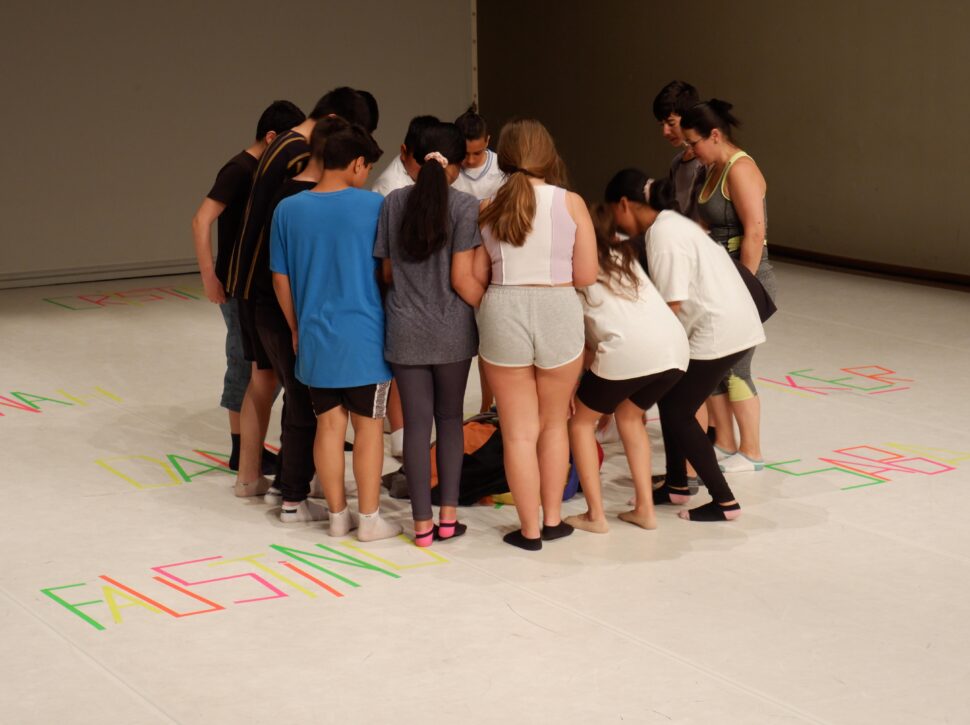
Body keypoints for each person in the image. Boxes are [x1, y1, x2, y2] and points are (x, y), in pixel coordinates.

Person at [226, 87, 378, 506]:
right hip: (286, 311)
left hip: (259, 299)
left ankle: (257, 480)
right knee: (306, 404)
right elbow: (286, 273)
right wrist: (296, 325)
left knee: (272, 388)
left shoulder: (286, 160)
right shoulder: (307, 186)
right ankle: (292, 491)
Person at [606, 170, 765, 521]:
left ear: (623, 205)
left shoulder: (663, 234)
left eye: (613, 214)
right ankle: (677, 484)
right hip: (729, 322)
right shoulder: (669, 224)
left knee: (679, 411)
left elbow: (671, 306)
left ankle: (724, 502)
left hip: (719, 330)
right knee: (670, 396)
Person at [270, 117, 401, 541]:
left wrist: (295, 327)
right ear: (357, 163)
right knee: (367, 429)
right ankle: (369, 520)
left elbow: (280, 279)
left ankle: (337, 516)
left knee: (328, 428)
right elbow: (388, 272)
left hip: (314, 338)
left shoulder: (287, 210)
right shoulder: (374, 207)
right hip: (366, 339)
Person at [474, 119, 597, 550]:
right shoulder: (572, 202)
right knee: (554, 424)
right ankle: (553, 519)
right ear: (549, 155)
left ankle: (527, 531)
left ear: (503, 157)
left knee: (517, 433)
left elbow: (476, 276)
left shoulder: (487, 205)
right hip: (558, 308)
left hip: (503, 306)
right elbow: (586, 273)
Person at [374, 122, 486, 546]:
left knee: (416, 427)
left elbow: (385, 271)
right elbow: (463, 276)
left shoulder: (393, 203)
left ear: (414, 159)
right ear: (455, 165)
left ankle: (420, 525)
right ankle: (447, 518)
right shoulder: (465, 207)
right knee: (451, 421)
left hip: (404, 330)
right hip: (454, 332)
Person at [191, 100, 304, 475]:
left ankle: (262, 442)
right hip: (235, 283)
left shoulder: (267, 171)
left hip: (252, 281)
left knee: (260, 362)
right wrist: (210, 276)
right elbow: (201, 220)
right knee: (243, 359)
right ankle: (241, 449)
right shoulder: (240, 169)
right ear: (271, 137)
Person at [565, 204, 688, 533]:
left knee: (580, 423)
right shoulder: (623, 255)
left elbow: (585, 344)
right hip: (674, 348)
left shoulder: (574, 266)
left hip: (627, 350)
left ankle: (595, 515)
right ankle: (645, 510)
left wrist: (578, 391)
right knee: (630, 416)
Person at [681, 99, 778, 473]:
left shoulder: (741, 169)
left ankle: (751, 452)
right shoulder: (713, 168)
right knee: (714, 365)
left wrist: (744, 287)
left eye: (695, 143)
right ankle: (724, 441)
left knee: (737, 365)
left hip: (748, 280)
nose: (691, 151)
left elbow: (754, 231)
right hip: (721, 282)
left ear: (715, 135)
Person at [370, 114, 440, 459]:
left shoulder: (423, 184)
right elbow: (387, 263)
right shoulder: (389, 190)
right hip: (399, 289)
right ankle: (400, 432)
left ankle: (409, 429)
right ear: (404, 152)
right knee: (401, 363)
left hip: (419, 290)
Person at [652, 80, 705, 222]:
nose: (665, 132)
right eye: (661, 125)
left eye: (671, 123)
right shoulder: (676, 163)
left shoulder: (708, 160)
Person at [371, 114, 439, 197]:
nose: (427, 167)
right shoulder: (389, 187)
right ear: (403, 152)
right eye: (420, 160)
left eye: (432, 160)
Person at [452, 104, 506, 201]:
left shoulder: (502, 167)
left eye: (477, 153)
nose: (470, 161)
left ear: (487, 141)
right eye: (464, 153)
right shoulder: (448, 169)